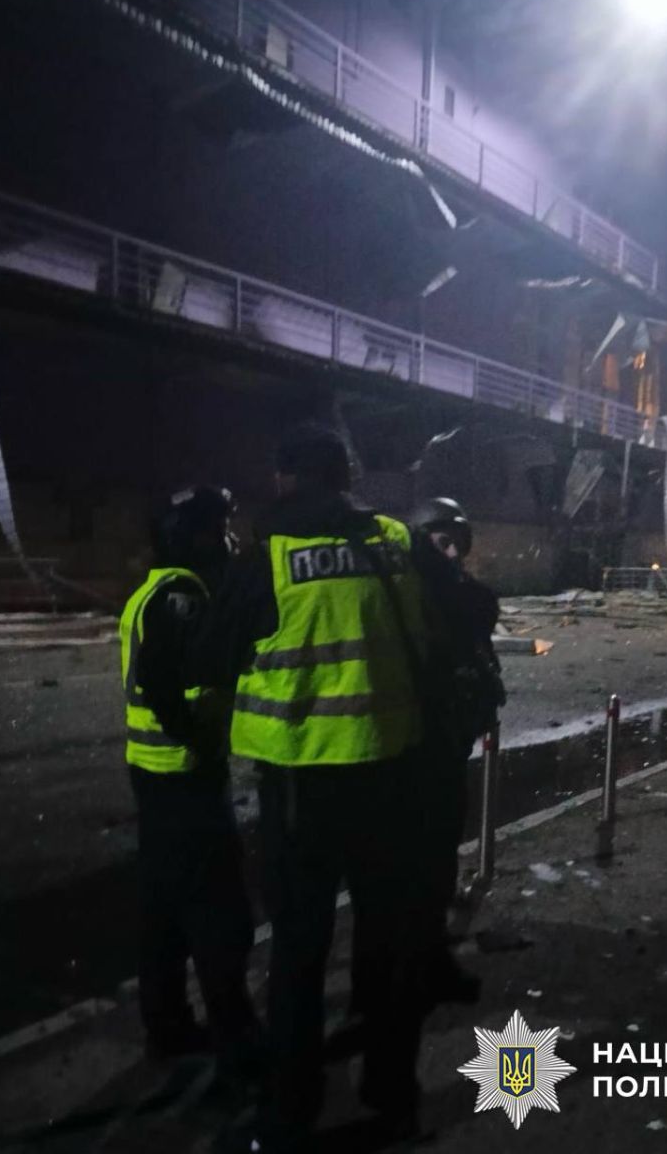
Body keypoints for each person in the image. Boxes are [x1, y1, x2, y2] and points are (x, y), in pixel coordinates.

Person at [190, 425, 430, 1153]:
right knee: (387, 944)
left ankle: (289, 1116)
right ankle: (392, 1097)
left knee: (298, 954)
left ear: (286, 479)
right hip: (390, 774)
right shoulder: (394, 541)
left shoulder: (267, 558)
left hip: (301, 785)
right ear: (346, 476)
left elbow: (212, 657)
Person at [119, 485, 260, 1095]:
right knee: (220, 916)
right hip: (185, 776)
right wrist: (199, 740)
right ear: (194, 536)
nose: (227, 539)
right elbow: (159, 683)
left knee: (163, 911)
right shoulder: (183, 595)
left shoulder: (150, 590)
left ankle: (168, 1026)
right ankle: (239, 1045)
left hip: (151, 774)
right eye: (218, 529)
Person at [406, 497, 505, 1006]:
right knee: (414, 862)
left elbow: (481, 617)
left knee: (440, 854)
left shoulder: (464, 593)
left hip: (449, 742)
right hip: (413, 747)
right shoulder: (407, 595)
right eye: (440, 543)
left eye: (456, 544)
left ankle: (430, 955)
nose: (451, 554)